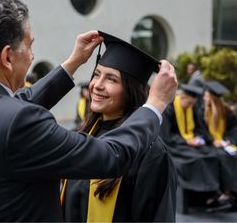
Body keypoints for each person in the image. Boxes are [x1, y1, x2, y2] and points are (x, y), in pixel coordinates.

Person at [0, 0, 177, 222]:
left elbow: (15, 105)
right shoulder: (20, 122)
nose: (31, 55)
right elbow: (110, 155)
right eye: (28, 46)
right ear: (7, 57)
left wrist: (72, 64)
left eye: (111, 79)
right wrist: (155, 105)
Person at [61, 31, 177, 222]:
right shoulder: (82, 134)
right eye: (96, 74)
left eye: (111, 79)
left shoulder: (151, 152)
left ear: (130, 89)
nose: (97, 85)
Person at [199, 81, 237, 212]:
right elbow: (200, 130)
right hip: (209, 144)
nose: (204, 98)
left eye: (206, 95)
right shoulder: (201, 110)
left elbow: (233, 128)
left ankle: (229, 194)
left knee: (233, 156)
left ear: (212, 97)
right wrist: (212, 141)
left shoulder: (227, 111)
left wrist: (228, 140)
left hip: (223, 143)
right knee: (219, 156)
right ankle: (219, 195)